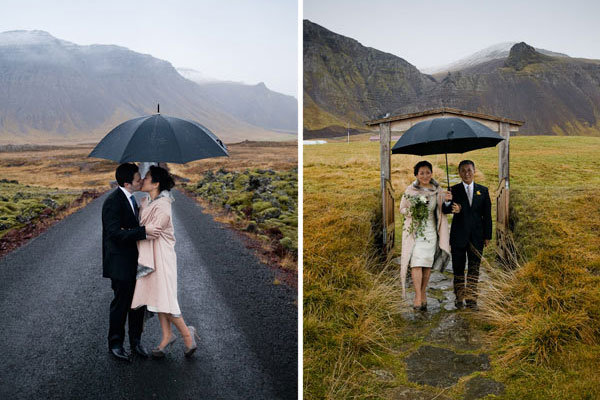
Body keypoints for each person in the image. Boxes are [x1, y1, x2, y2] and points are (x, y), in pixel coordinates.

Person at [130, 165, 198, 358]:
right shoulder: (148, 201)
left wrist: (129, 233)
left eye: (147, 177)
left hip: (163, 257)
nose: (142, 180)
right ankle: (167, 336)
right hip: (152, 255)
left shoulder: (164, 205)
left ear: (156, 183)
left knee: (165, 298)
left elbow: (155, 230)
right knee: (158, 297)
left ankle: (187, 334)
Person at [102, 163, 161, 362]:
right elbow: (114, 233)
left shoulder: (132, 200)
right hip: (120, 264)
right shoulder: (113, 201)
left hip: (136, 262)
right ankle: (116, 344)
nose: (141, 181)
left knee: (138, 304)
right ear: (127, 183)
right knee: (121, 304)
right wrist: (142, 232)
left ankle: (136, 342)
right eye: (137, 179)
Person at [399, 161, 454, 310]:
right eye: (421, 173)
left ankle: (423, 292)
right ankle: (417, 296)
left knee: (426, 265)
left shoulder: (437, 190)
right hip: (415, 232)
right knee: (416, 263)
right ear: (416, 174)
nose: (425, 175)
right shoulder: (410, 190)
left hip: (430, 232)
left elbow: (444, 209)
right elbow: (402, 209)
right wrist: (414, 211)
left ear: (431, 173)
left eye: (427, 172)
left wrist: (447, 199)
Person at [442, 160, 492, 310]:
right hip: (459, 236)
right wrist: (448, 204)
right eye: (463, 171)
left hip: (477, 236)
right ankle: (459, 298)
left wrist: (487, 236)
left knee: (474, 268)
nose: (466, 173)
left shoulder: (483, 191)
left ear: (474, 171)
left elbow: (487, 216)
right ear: (459, 173)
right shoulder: (453, 189)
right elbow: (446, 210)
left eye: (469, 170)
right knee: (458, 268)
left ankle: (471, 299)